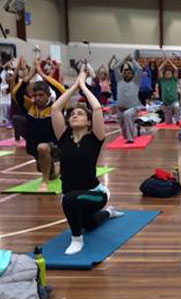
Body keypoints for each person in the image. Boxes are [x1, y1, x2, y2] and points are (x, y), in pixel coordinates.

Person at [50, 70, 123, 255]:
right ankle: (109, 213)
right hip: (72, 195)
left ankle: (76, 240)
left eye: (80, 114)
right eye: (73, 114)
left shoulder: (95, 138)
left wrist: (84, 88)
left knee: (70, 200)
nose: (74, 115)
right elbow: (55, 109)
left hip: (94, 195)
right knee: (89, 224)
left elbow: (97, 109)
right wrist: (74, 86)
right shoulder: (63, 137)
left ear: (89, 122)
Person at [12, 57, 67, 192]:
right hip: (34, 145)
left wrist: (42, 75)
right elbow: (16, 93)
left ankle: (45, 181)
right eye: (35, 95)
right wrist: (30, 75)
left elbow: (62, 91)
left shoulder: (56, 107)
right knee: (45, 167)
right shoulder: (30, 106)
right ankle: (54, 171)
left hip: (54, 145)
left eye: (41, 95)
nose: (37, 98)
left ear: (48, 95)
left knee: (43, 149)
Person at [113, 54, 142, 144]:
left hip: (133, 108)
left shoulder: (136, 81)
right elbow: (115, 68)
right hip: (120, 109)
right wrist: (124, 60)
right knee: (124, 134)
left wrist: (132, 60)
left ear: (133, 75)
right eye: (125, 73)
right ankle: (136, 128)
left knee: (127, 115)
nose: (127, 75)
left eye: (129, 73)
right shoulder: (119, 80)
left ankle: (131, 139)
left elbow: (139, 69)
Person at [158, 57, 181, 125]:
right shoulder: (162, 80)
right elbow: (159, 69)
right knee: (168, 122)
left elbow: (176, 69)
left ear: (172, 74)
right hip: (166, 104)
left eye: (169, 73)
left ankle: (177, 120)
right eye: (166, 73)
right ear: (164, 74)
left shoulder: (174, 80)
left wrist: (169, 61)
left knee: (177, 106)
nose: (168, 74)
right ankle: (170, 120)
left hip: (174, 101)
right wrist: (165, 61)